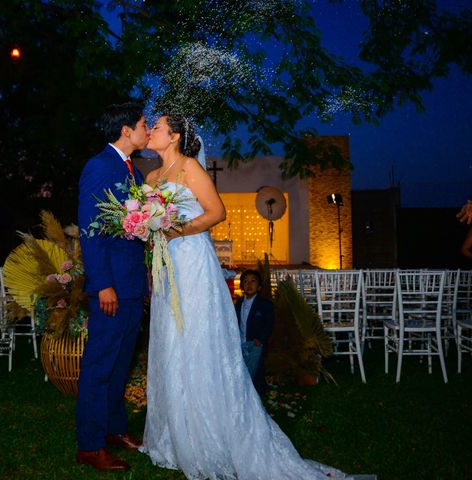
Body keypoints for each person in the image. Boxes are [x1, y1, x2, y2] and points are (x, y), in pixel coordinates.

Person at [140, 113, 345, 479]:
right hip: (166, 266)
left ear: (172, 136)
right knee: (170, 341)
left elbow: (216, 212)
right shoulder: (151, 177)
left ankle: (209, 432)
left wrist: (176, 231)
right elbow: (147, 222)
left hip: (192, 262)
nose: (150, 130)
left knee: (196, 340)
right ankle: (175, 432)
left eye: (156, 126)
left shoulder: (189, 168)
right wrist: (148, 231)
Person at [76, 102, 150, 472]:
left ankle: (113, 429)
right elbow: (91, 232)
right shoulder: (99, 167)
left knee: (121, 363)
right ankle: (89, 445)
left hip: (133, 286)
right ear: (125, 130)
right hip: (111, 289)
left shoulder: (134, 171)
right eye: (142, 124)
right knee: (100, 365)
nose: (147, 129)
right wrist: (103, 284)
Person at [235, 269, 274, 397]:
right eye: (245, 282)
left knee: (257, 370)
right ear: (241, 286)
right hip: (242, 342)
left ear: (259, 286)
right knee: (243, 369)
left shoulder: (265, 305)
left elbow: (268, 324)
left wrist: (261, 339)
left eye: (253, 281)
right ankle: (247, 394)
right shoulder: (239, 303)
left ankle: (258, 395)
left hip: (256, 343)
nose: (249, 284)